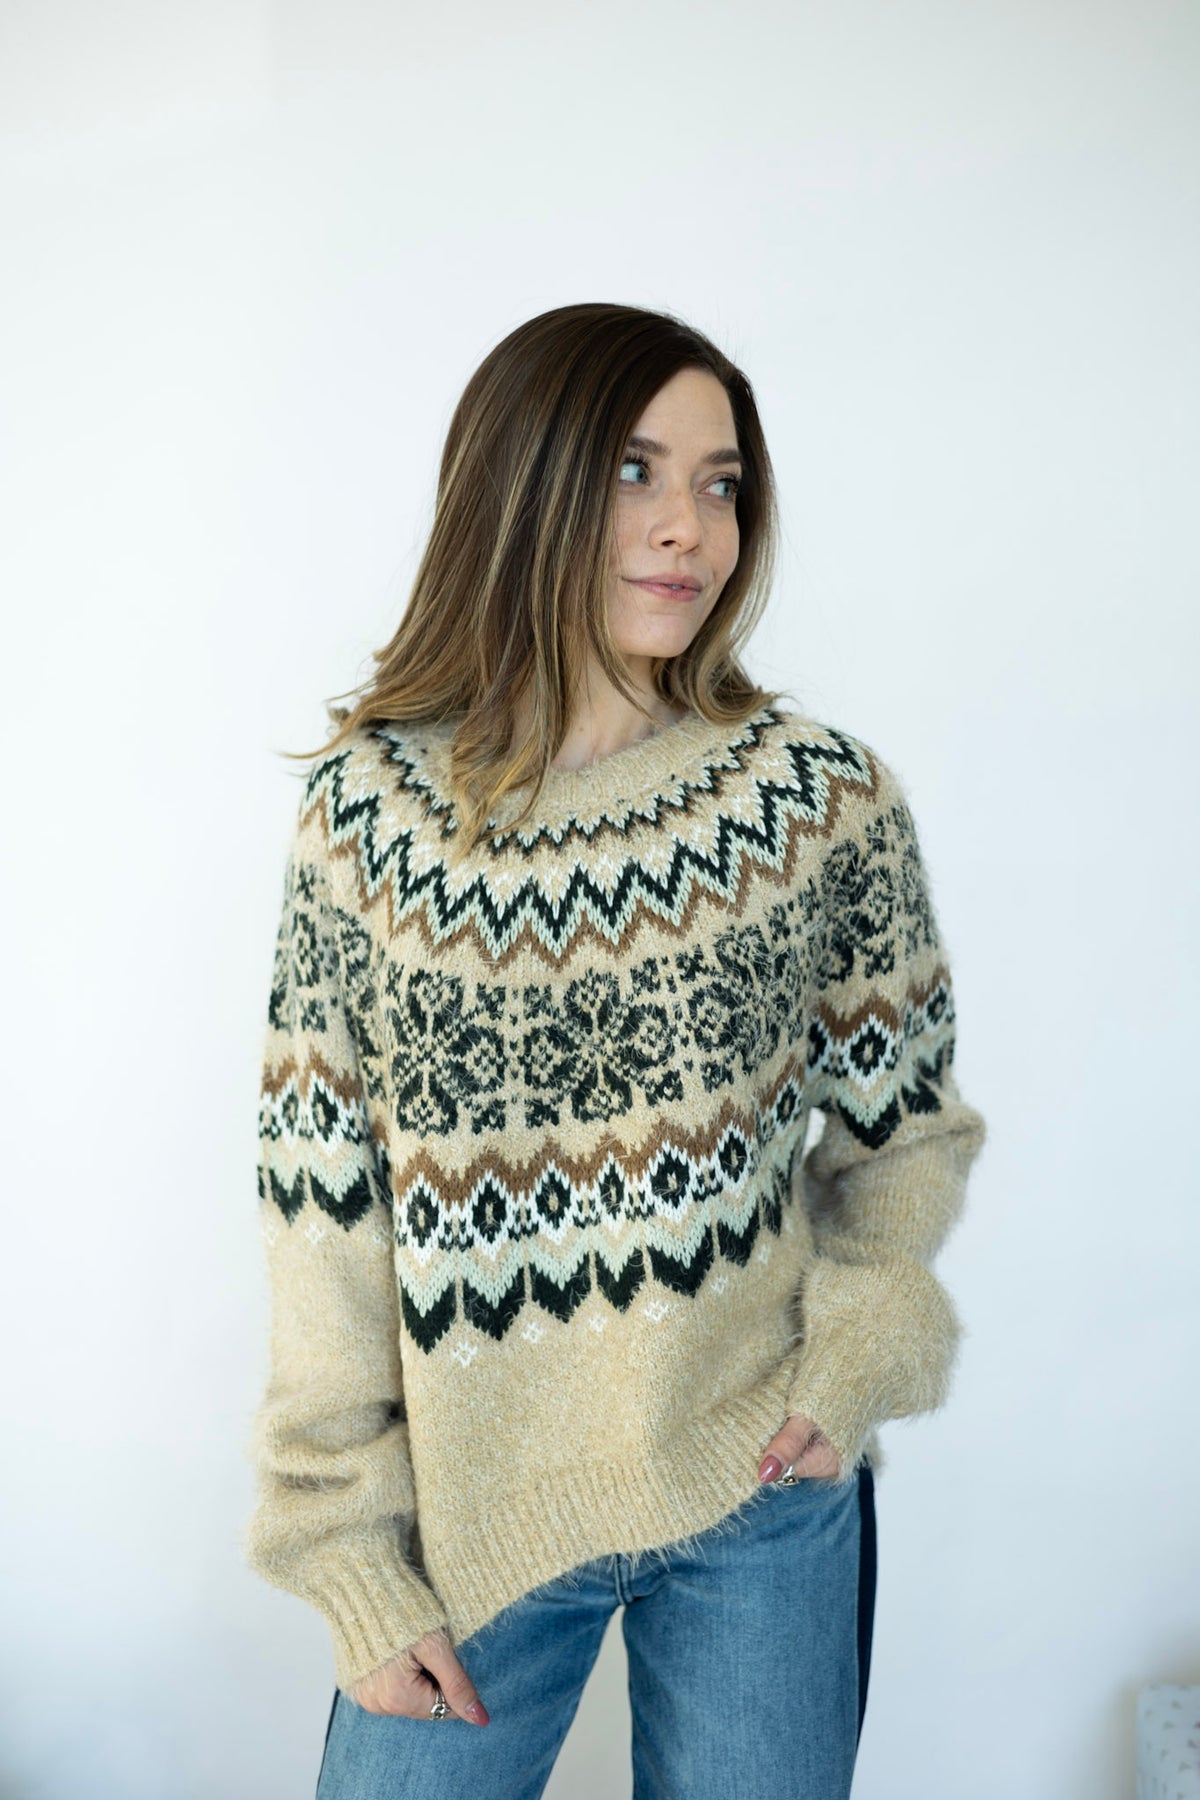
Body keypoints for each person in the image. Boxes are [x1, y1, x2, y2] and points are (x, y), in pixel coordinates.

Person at [242, 301, 987, 1800]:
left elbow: (904, 1132)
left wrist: (851, 1360)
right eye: (634, 472)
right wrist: (348, 1550)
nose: (686, 527)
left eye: (721, 484)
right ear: (524, 487)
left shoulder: (815, 804)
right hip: (472, 1525)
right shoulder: (375, 820)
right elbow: (323, 1201)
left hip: (762, 1487)